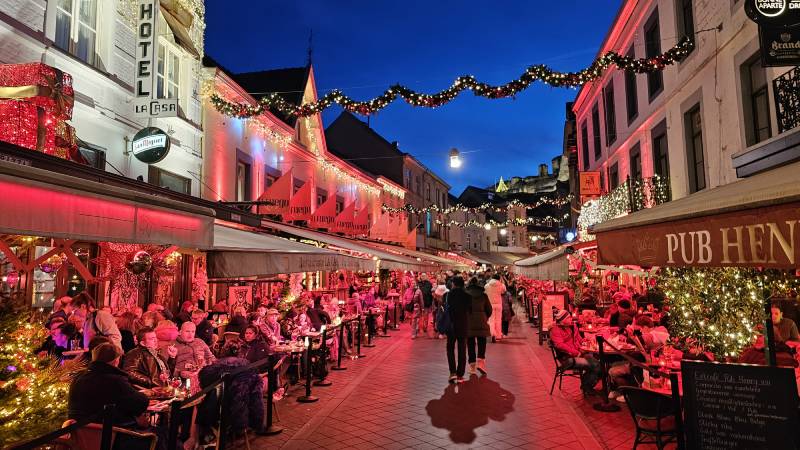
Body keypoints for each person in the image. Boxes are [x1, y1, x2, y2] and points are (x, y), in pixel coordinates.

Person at [68, 343, 165, 450]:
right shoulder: (115, 380)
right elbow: (140, 403)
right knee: (161, 435)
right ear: (116, 360)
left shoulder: (78, 379)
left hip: (83, 437)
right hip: (113, 437)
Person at [549, 309, 602, 396]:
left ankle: (586, 385)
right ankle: (587, 386)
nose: (571, 319)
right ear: (562, 320)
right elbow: (560, 345)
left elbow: (579, 339)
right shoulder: (555, 329)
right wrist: (576, 353)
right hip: (566, 358)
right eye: (568, 317)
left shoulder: (573, 326)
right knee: (595, 365)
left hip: (579, 353)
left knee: (599, 365)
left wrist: (584, 341)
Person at [445, 276, 471, 383]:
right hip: (463, 325)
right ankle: (460, 374)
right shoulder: (467, 295)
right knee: (462, 349)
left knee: (450, 348)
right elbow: (470, 310)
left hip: (451, 325)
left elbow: (447, 308)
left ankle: (453, 373)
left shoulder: (449, 294)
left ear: (454, 284)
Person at [465, 277, 492, 375]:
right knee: (482, 342)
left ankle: (472, 367)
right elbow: (489, 310)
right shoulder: (483, 295)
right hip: (481, 321)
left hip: (469, 322)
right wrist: (485, 317)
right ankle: (481, 363)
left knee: (470, 343)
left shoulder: (465, 295)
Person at [484, 274, 506, 341]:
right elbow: (504, 291)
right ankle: (498, 335)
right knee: (498, 320)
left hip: (490, 304)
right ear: (499, 278)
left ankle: (493, 334)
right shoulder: (501, 285)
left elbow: (485, 293)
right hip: (499, 304)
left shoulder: (487, 285)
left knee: (491, 320)